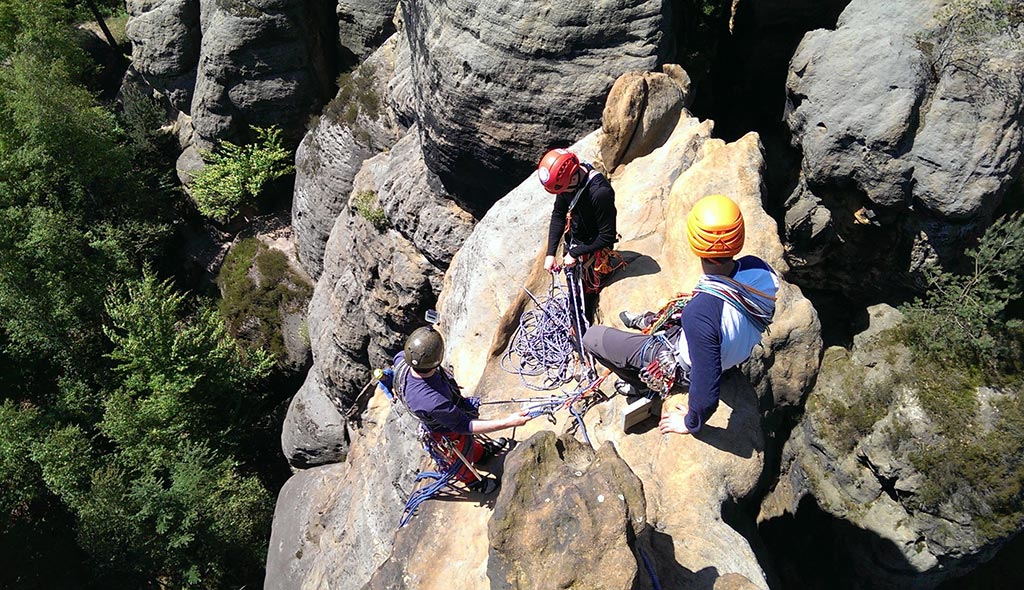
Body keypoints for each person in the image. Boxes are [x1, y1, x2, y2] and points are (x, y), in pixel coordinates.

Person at [580, 194, 779, 435]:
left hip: (680, 363)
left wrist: (690, 422)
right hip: (730, 352)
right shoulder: (758, 269)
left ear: (694, 242)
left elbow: (706, 391)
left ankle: (641, 385)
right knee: (679, 314)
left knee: (592, 338)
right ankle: (648, 321)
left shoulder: (701, 313)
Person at [393, 325, 535, 494]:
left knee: (467, 444)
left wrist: (448, 387)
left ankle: (481, 454)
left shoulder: (401, 359)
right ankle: (473, 482)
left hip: (443, 410)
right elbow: (466, 426)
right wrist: (509, 422)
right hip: (444, 430)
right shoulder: (432, 401)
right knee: (458, 454)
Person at [537, 148, 623, 293]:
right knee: (574, 292)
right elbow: (558, 215)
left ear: (573, 177)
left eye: (563, 190)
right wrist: (551, 254)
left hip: (594, 248)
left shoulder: (600, 193)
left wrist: (575, 253)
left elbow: (607, 236)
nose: (562, 194)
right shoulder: (566, 184)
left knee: (584, 298)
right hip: (576, 242)